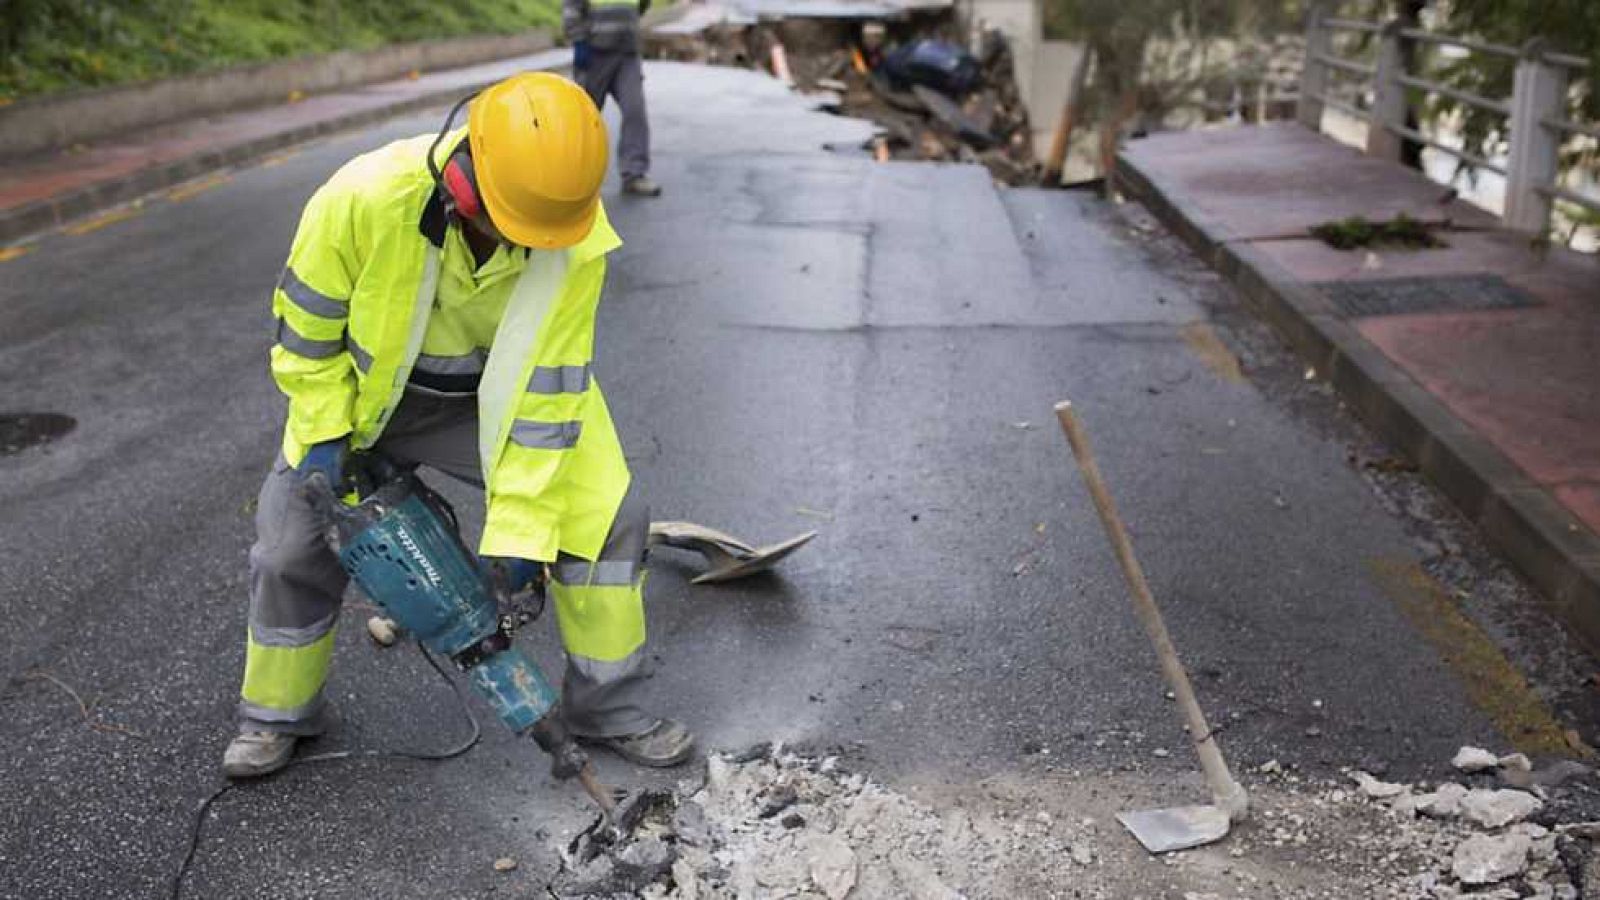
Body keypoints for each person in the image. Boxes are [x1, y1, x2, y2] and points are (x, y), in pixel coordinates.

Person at [223, 72, 693, 778]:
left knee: (604, 517)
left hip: (496, 402)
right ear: (466, 185)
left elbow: (547, 392)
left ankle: (608, 708)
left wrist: (520, 537)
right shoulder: (359, 200)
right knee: (290, 547)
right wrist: (325, 440)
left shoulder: (572, 229)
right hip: (363, 403)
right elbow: (305, 339)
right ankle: (276, 716)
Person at [564, 0, 661, 196]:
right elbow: (572, 7)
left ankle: (634, 175)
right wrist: (579, 40)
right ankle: (569, 176)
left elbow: (642, 4)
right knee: (585, 117)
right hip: (594, 54)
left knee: (635, 111)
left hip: (627, 55)